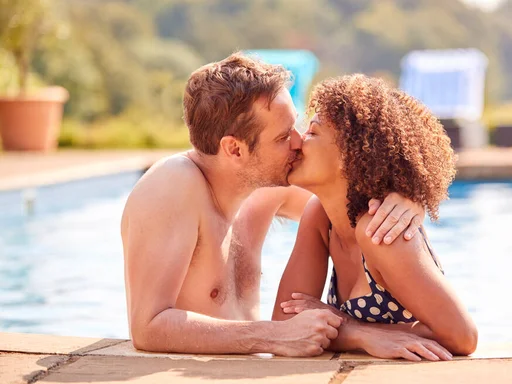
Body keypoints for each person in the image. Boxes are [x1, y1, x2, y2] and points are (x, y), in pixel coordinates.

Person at [121, 53, 427, 357]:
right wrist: (275, 335)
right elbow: (148, 326)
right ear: (235, 149)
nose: (298, 141)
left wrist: (409, 199)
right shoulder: (172, 188)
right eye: (283, 136)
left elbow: (355, 207)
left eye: (296, 126)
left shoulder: (263, 190)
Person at [273, 74, 478, 360]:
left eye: (312, 133)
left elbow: (463, 338)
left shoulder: (380, 230)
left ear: (351, 155)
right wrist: (359, 335)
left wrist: (343, 326)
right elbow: (283, 324)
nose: (297, 141)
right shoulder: (320, 217)